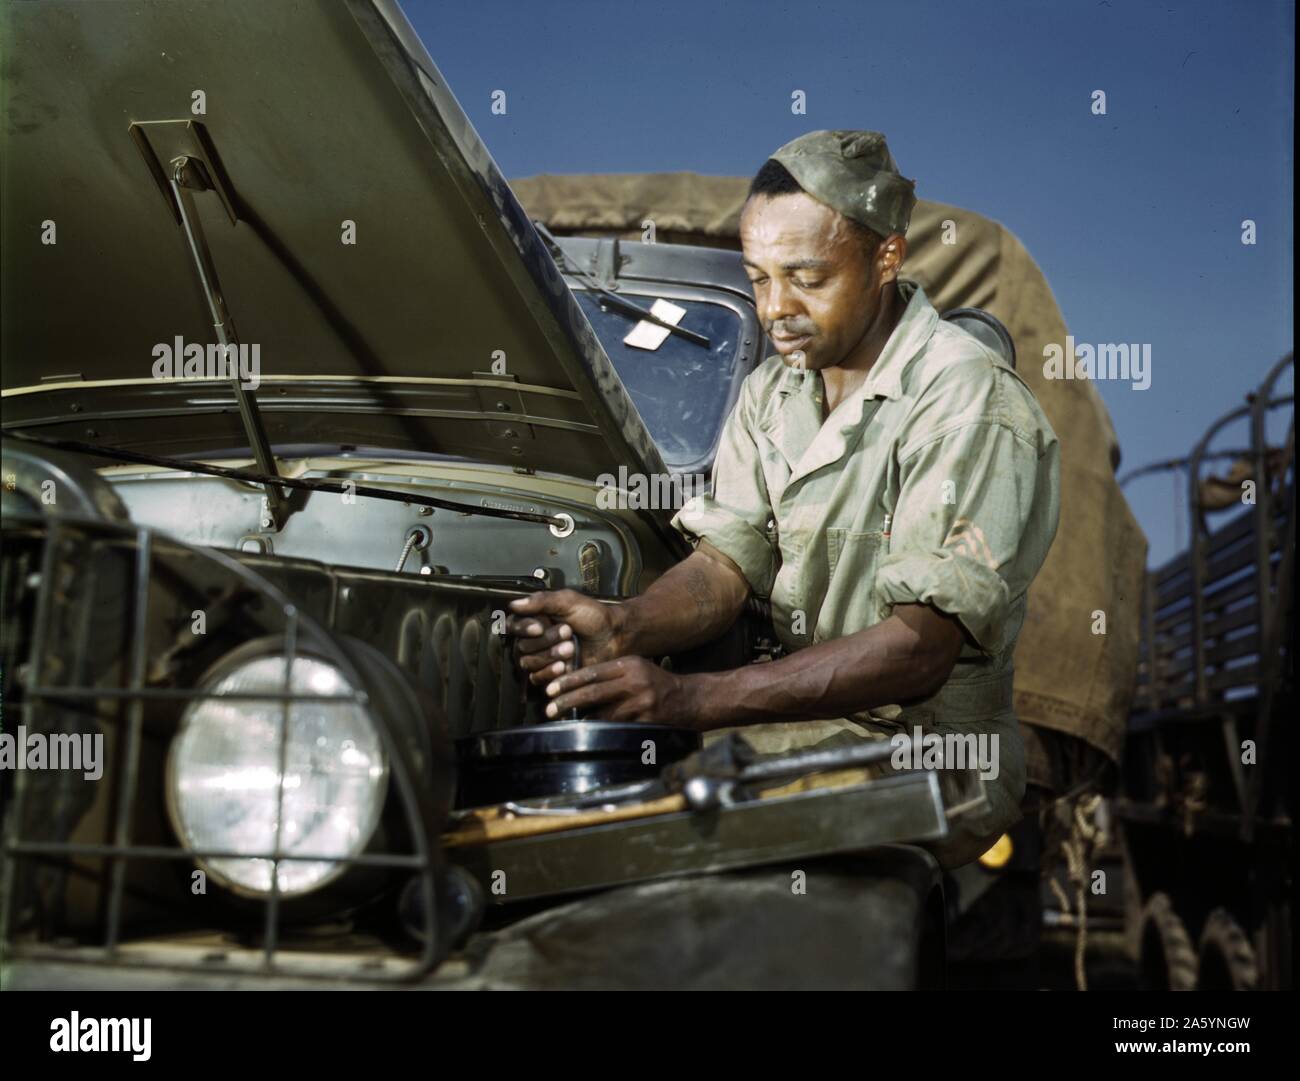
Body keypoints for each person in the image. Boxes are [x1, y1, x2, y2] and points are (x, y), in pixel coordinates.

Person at [507, 130, 1061, 866]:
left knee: (642, 823)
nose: (775, 309)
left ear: (886, 259)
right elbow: (726, 562)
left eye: (806, 276)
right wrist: (625, 624)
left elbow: (920, 648)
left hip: (932, 757)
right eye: (759, 278)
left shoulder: (966, 399)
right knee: (586, 791)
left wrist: (689, 702)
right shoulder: (775, 391)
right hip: (812, 726)